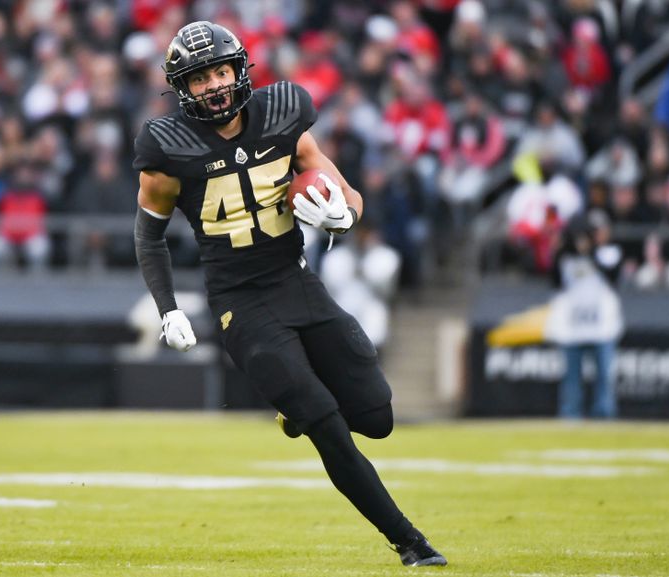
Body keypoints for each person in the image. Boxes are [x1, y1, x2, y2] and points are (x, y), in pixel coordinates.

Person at [131, 21, 446, 567]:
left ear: (240, 70)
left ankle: (295, 410)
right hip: (239, 302)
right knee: (328, 423)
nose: (212, 85)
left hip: (296, 281)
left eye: (220, 71)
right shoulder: (167, 146)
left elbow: (342, 191)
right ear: (182, 87)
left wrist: (343, 217)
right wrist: (169, 308)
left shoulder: (284, 113)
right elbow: (148, 233)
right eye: (200, 77)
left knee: (376, 417)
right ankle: (410, 542)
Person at [546, 210, 624, 419]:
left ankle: (604, 417)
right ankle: (570, 416)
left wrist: (590, 252)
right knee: (571, 379)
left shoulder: (609, 253)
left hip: (601, 326)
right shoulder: (566, 258)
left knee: (604, 378)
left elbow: (613, 277)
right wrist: (561, 249)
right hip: (573, 326)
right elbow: (554, 281)